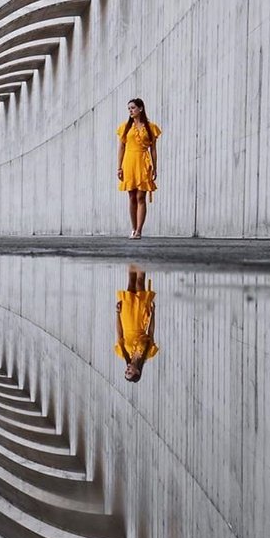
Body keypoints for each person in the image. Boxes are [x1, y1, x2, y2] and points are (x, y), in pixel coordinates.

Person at [116, 98, 161, 238]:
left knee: (141, 196)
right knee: (131, 196)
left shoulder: (151, 127)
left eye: (133, 108)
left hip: (143, 162)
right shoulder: (125, 127)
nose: (130, 111)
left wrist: (154, 167)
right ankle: (133, 228)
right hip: (129, 162)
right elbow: (121, 147)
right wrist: (119, 167)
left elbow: (153, 149)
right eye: (129, 108)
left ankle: (139, 231)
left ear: (140, 109)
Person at [115, 265, 158, 383]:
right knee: (139, 284)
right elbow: (151, 332)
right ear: (137, 372)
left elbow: (119, 333)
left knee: (130, 283)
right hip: (140, 320)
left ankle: (132, 257)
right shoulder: (148, 353)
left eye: (126, 372)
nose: (127, 370)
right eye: (129, 372)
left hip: (126, 319)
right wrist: (153, 313)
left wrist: (117, 313)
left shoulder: (123, 353)